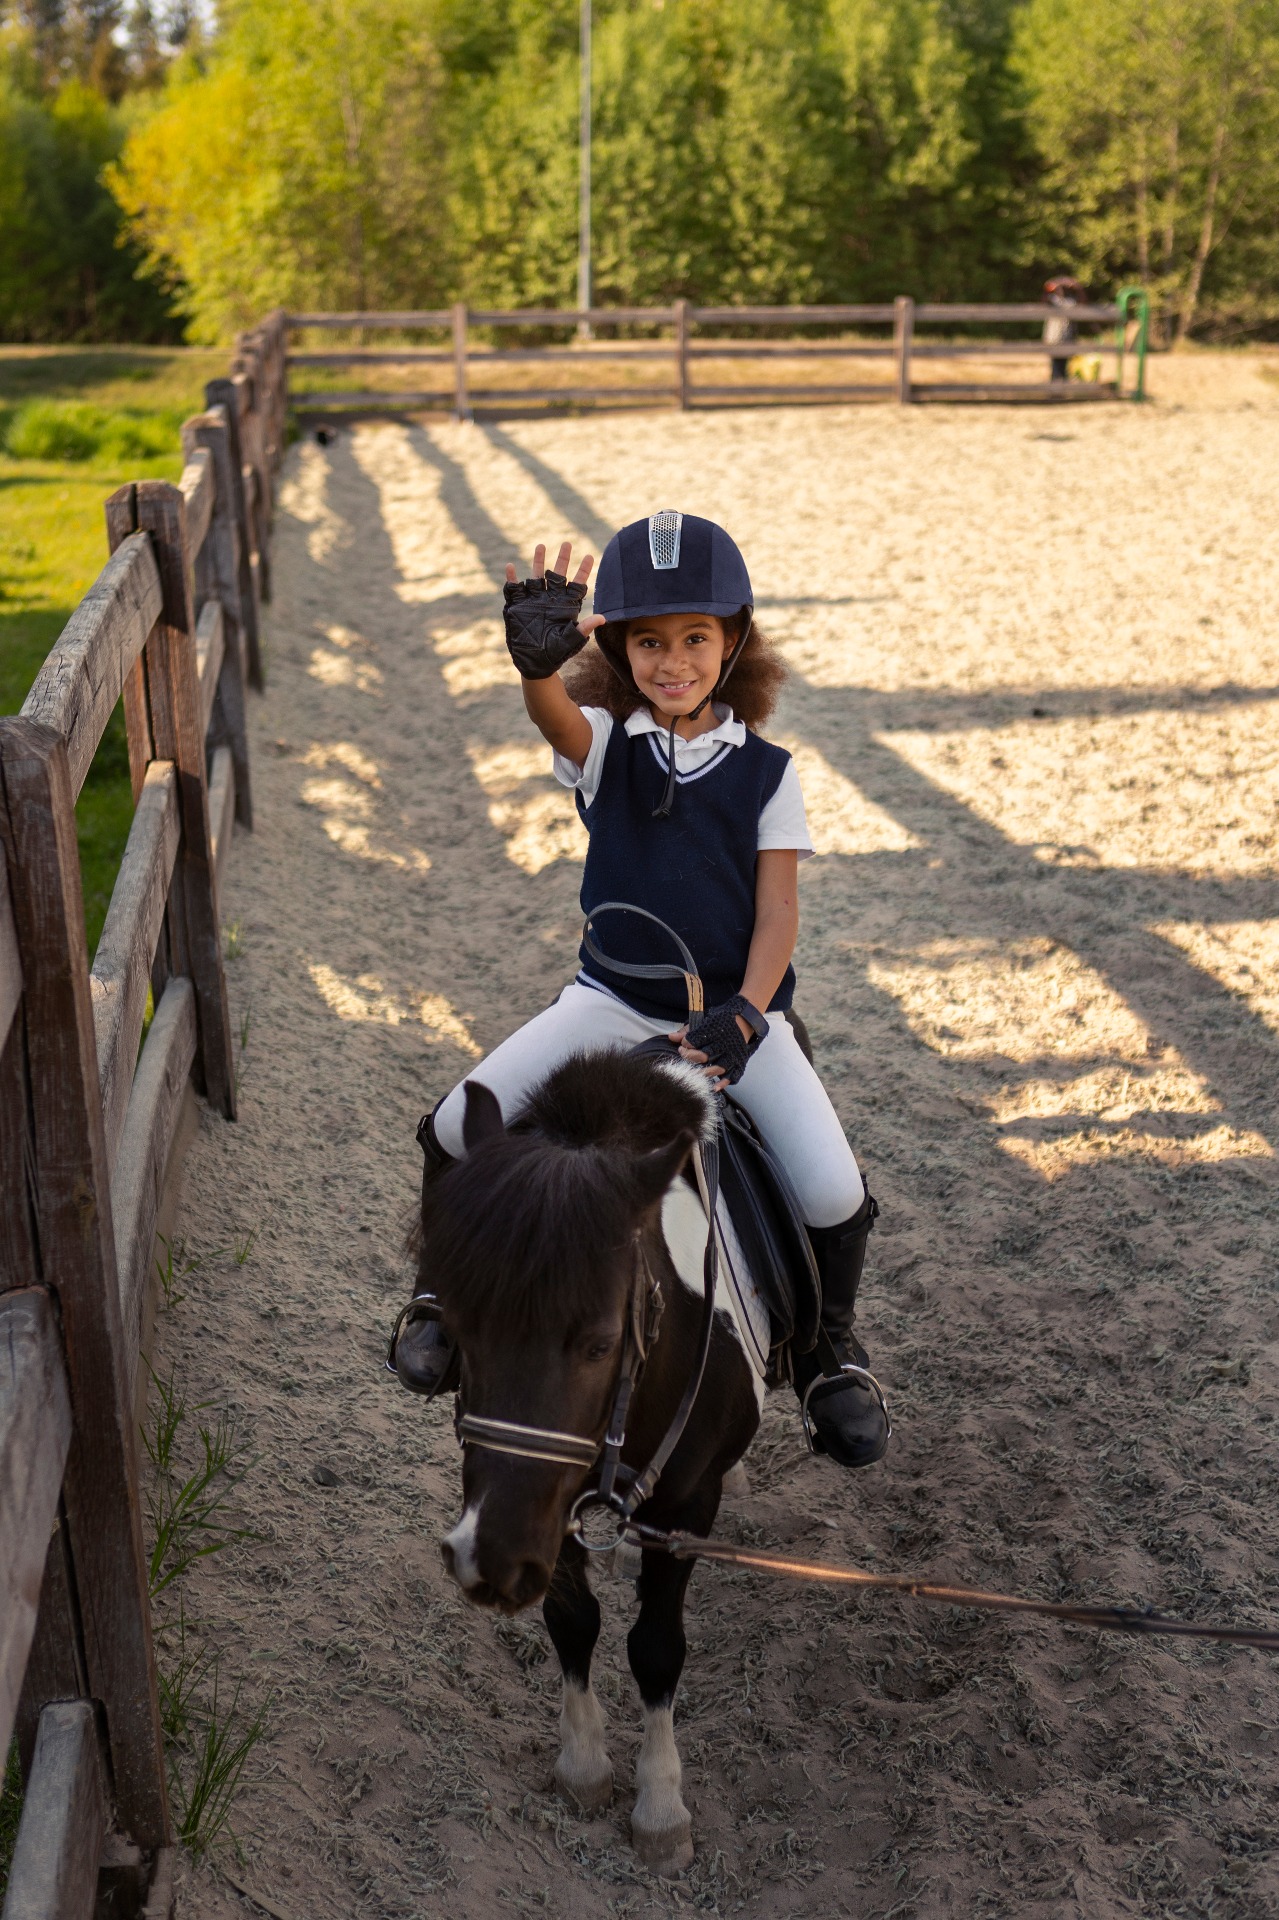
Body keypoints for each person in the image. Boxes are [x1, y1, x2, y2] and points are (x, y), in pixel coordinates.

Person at [393, 512, 889, 1470]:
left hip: (737, 1020)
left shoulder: (769, 775)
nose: (673, 661)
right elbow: (556, 718)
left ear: (731, 641)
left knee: (831, 1188)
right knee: (458, 1122)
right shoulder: (607, 747)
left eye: (694, 638)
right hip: (609, 1002)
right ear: (618, 649)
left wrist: (748, 1012)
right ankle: (437, 1295)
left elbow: (778, 911)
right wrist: (535, 669)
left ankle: (829, 1351)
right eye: (649, 641)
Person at [1043, 275, 1085, 382]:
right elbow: (1044, 297)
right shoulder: (1053, 300)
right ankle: (1056, 388)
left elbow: (1083, 302)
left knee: (1064, 364)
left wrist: (1077, 287)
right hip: (1054, 337)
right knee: (1056, 365)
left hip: (1067, 336)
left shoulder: (1071, 301)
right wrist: (1054, 284)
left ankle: (1061, 387)